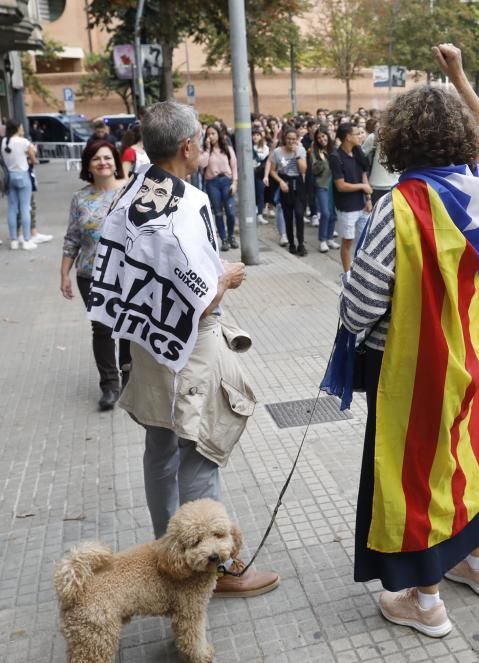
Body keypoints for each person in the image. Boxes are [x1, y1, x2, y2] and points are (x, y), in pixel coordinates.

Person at [333, 42, 479, 640]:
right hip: (473, 357)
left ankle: (425, 599)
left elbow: (360, 305)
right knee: (458, 456)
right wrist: (460, 75)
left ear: (399, 141)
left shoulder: (398, 207)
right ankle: (478, 564)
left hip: (413, 368)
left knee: (415, 474)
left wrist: (346, 332)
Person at [86, 100, 279, 596]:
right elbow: (200, 293)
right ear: (188, 146)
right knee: (200, 456)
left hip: (147, 345)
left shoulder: (130, 193)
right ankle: (211, 567)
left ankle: (167, 554)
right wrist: (228, 275)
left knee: (161, 449)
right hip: (188, 349)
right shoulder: (186, 203)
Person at [60, 140, 130, 410]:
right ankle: (109, 386)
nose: (103, 162)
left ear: (115, 161)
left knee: (127, 325)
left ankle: (129, 378)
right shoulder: (80, 198)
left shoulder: (130, 193)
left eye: (107, 157)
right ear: (88, 165)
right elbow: (72, 238)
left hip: (126, 271)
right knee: (102, 329)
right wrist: (64, 273)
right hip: (91, 274)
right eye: (96, 159)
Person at [331, 122, 371, 271]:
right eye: (357, 134)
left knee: (365, 240)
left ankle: (361, 270)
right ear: (347, 137)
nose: (360, 136)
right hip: (347, 207)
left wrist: (368, 199)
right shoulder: (336, 157)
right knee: (347, 241)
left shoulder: (358, 153)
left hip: (362, 204)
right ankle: (347, 273)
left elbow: (363, 175)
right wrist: (363, 187)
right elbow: (340, 186)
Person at [198, 125, 240, 251]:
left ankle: (231, 235)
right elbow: (202, 164)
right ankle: (224, 239)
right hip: (212, 183)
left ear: (218, 134)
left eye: (213, 133)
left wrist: (235, 182)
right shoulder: (204, 150)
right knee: (218, 212)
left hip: (227, 181)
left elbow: (234, 166)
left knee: (231, 212)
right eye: (209, 134)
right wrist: (208, 148)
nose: (211, 136)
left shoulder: (227, 149)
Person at [268, 127, 308, 255]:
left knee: (299, 214)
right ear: (284, 139)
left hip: (298, 183)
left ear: (297, 140)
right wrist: (280, 181)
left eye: (294, 139)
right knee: (288, 216)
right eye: (289, 139)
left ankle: (301, 243)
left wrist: (296, 154)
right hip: (285, 182)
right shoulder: (278, 152)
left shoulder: (301, 150)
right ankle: (291, 243)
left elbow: (303, 170)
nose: (291, 142)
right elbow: (272, 170)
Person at [4, 119, 38, 250]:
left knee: (12, 208)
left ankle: (13, 240)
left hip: (10, 175)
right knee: (25, 208)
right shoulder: (23, 141)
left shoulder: (4, 142)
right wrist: (34, 158)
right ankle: (26, 239)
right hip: (23, 175)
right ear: (17, 128)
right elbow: (32, 156)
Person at [308, 127, 338, 253]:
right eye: (319, 137)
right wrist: (323, 159)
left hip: (335, 185)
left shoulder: (334, 149)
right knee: (325, 213)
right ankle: (322, 240)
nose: (322, 139)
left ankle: (330, 238)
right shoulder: (314, 152)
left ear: (328, 136)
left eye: (323, 136)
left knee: (333, 213)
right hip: (322, 185)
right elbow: (314, 170)